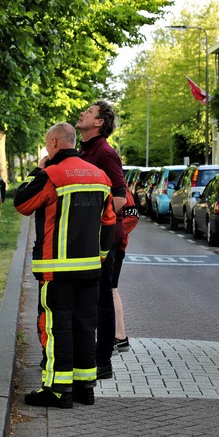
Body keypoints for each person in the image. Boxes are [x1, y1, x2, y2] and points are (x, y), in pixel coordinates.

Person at [14, 122, 116, 408]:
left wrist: (38, 169)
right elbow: (109, 223)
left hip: (57, 270)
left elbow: (22, 203)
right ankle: (85, 387)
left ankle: (58, 391)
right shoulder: (100, 177)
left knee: (57, 328)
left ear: (56, 143)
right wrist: (101, 257)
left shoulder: (52, 175)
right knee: (85, 326)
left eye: (48, 144)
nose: (47, 149)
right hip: (89, 269)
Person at [75, 100, 127, 379]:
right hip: (87, 237)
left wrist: (92, 218)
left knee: (102, 298)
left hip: (104, 238)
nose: (83, 113)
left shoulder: (105, 153)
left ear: (99, 123)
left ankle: (102, 361)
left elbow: (119, 198)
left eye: (90, 111)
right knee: (89, 297)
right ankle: (87, 356)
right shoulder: (84, 152)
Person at [113, 185, 140, 352]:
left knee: (109, 290)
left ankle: (118, 336)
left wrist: (113, 236)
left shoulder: (118, 184)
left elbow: (133, 215)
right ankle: (120, 337)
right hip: (112, 245)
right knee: (110, 290)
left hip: (114, 247)